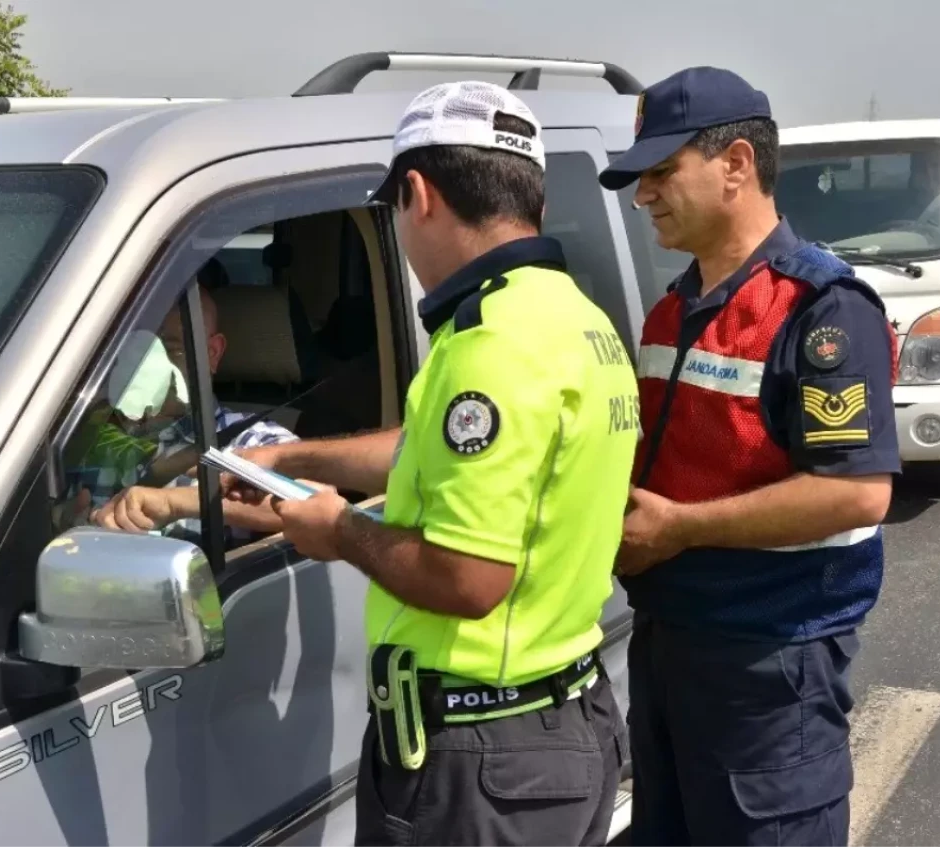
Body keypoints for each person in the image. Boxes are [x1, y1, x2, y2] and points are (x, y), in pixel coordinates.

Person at [226, 81, 639, 846]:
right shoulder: (573, 319)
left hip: (484, 762)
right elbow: (435, 451)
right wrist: (288, 453)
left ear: (417, 194)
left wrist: (338, 529)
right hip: (556, 725)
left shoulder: (489, 345)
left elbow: (468, 579)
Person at [597, 66, 900, 846]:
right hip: (668, 649)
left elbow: (857, 493)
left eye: (662, 172)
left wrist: (680, 529)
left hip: (770, 669)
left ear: (736, 164)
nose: (643, 195)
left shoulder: (823, 309)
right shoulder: (674, 308)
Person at [62, 283, 299, 546]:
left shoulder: (251, 440)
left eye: (169, 349)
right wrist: (62, 521)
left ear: (212, 353)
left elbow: (309, 502)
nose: (146, 367)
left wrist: (175, 503)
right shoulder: (78, 436)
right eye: (134, 350)